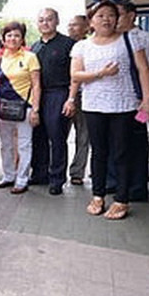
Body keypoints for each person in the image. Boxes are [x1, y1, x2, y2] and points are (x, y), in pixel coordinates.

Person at [71, 1, 149, 220]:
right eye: (100, 15)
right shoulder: (82, 46)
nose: (106, 19)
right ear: (91, 21)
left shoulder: (129, 39)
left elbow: (143, 69)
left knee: (121, 152)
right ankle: (98, 195)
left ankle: (121, 199)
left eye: (111, 15)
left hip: (124, 105)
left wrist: (147, 98)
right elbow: (75, 76)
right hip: (93, 105)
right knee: (99, 152)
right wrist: (101, 74)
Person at [112, 1, 149, 202]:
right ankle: (118, 183)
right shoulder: (113, 39)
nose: (114, 19)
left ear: (132, 15)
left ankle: (138, 188)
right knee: (119, 143)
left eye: (119, 14)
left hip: (139, 99)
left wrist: (147, 98)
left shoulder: (145, 38)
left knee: (138, 142)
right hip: (118, 101)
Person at [30, 8, 76, 195]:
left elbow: (75, 75)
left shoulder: (68, 44)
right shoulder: (34, 47)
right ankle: (40, 173)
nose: (45, 23)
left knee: (56, 136)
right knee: (37, 135)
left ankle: (57, 178)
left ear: (57, 21)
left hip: (59, 93)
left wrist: (71, 98)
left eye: (49, 20)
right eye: (41, 20)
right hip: (37, 94)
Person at [0, 21, 41, 194]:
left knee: (24, 145)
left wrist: (35, 109)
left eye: (16, 35)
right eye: (9, 35)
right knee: (5, 144)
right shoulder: (0, 59)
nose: (12, 39)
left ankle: (22, 179)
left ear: (22, 39)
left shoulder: (30, 57)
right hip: (3, 108)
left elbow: (36, 85)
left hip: (24, 107)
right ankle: (8, 175)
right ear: (3, 38)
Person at [66, 14, 90, 186]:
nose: (71, 28)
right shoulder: (62, 45)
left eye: (76, 25)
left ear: (86, 28)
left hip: (84, 95)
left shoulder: (90, 46)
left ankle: (77, 172)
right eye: (70, 25)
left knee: (83, 135)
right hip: (62, 95)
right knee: (59, 135)